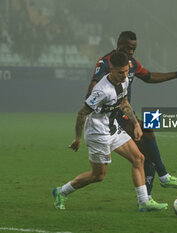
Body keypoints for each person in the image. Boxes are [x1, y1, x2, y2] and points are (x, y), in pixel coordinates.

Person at [53, 52, 167, 212]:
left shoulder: (125, 80)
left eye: (127, 71)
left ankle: (144, 202)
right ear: (111, 69)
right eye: (121, 72)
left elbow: (124, 103)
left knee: (139, 158)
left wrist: (136, 124)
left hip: (112, 128)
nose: (124, 75)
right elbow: (82, 113)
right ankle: (61, 191)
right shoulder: (101, 91)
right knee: (98, 175)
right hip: (98, 134)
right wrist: (78, 138)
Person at [87, 31, 177, 203]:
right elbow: (93, 85)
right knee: (148, 128)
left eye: (134, 48)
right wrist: (99, 97)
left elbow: (149, 77)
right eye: (128, 47)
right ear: (118, 44)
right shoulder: (106, 62)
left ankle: (146, 200)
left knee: (146, 156)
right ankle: (164, 176)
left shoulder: (132, 64)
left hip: (126, 110)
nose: (131, 51)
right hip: (112, 115)